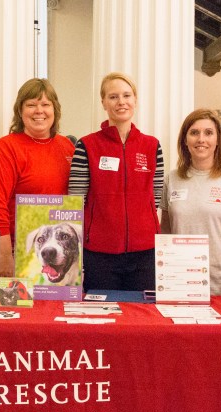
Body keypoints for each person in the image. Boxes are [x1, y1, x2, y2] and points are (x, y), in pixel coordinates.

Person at [69, 72, 164, 291]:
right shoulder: (86, 145)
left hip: (145, 253)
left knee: (142, 318)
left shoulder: (152, 146)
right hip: (100, 254)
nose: (121, 102)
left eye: (126, 95)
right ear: (103, 102)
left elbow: (155, 197)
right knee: (103, 321)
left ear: (135, 100)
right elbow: (75, 201)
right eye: (113, 97)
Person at [0, 78, 75, 277]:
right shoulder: (4, 149)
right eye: (31, 105)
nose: (39, 111)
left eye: (45, 104)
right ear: (20, 111)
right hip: (19, 253)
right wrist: (5, 257)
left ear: (55, 110)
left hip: (61, 255)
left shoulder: (67, 147)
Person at [160, 109, 221, 296]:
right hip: (179, 280)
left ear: (218, 140)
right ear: (185, 140)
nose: (201, 139)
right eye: (194, 133)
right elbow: (166, 230)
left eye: (208, 133)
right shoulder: (172, 179)